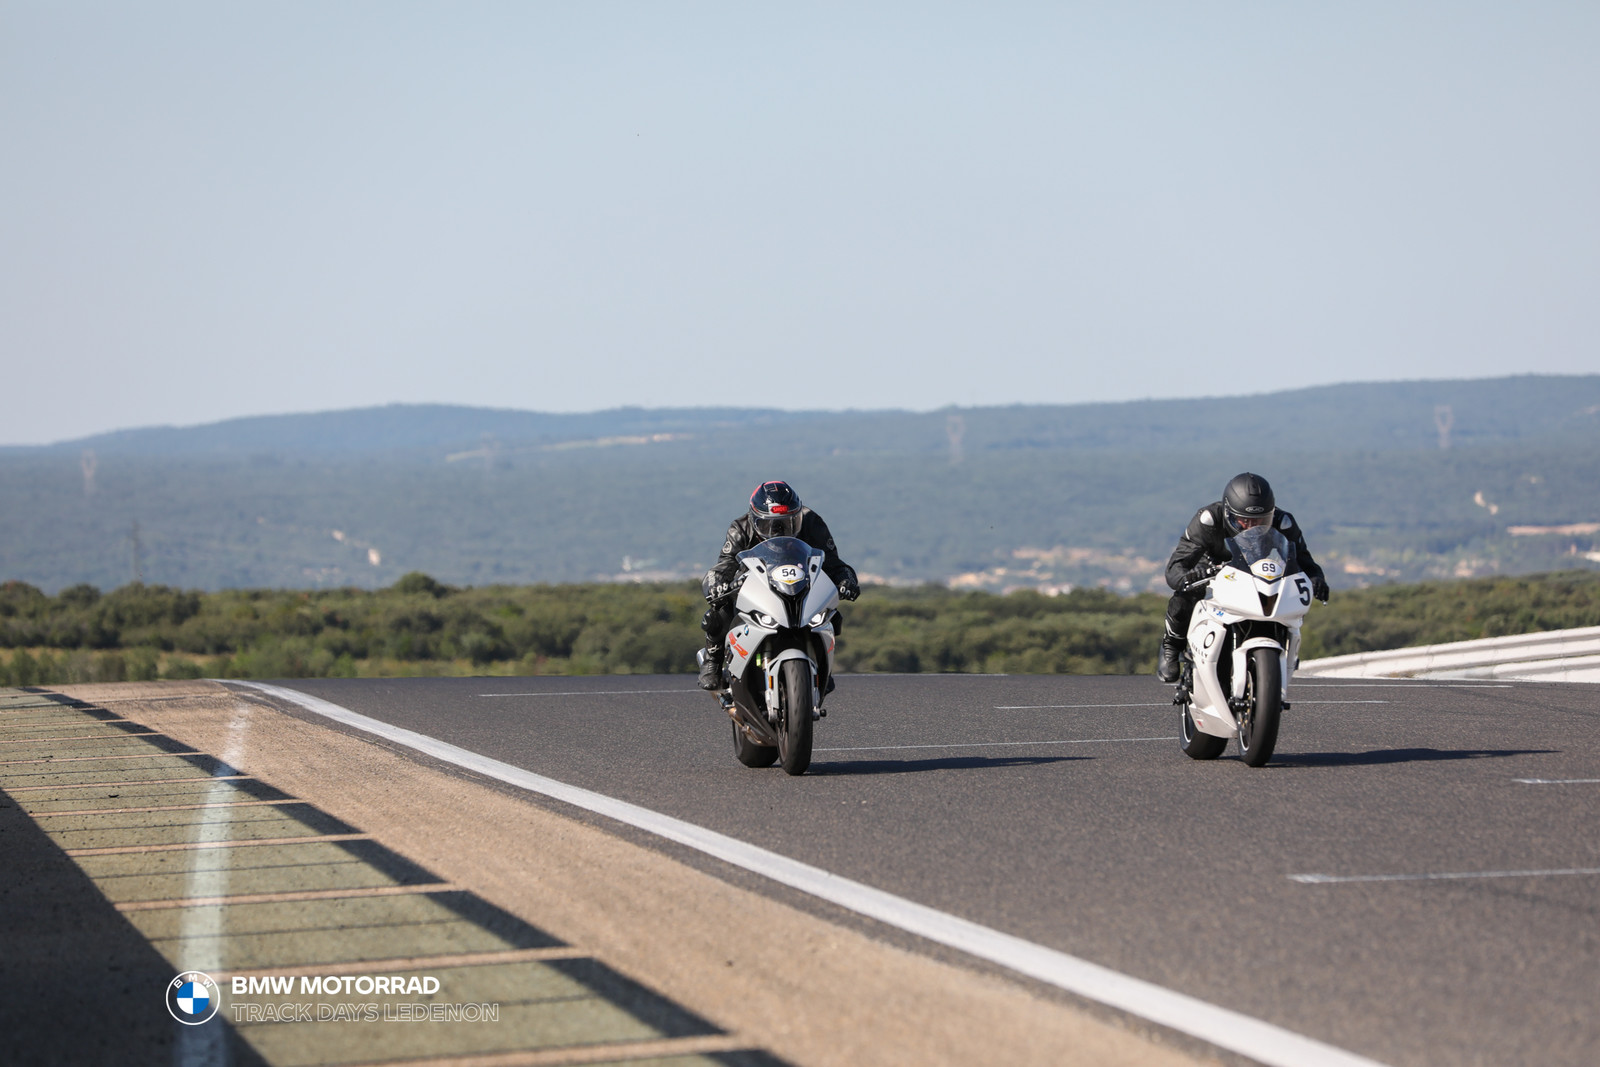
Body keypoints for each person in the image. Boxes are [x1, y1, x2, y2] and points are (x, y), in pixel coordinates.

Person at [1157, 472, 1329, 684]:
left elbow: (1305, 561)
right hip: (1211, 569)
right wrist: (1187, 577)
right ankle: (1171, 645)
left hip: (1258, 571)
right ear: (1228, 513)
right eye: (1244, 521)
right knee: (1186, 595)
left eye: (1260, 521)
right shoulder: (1208, 519)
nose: (1252, 527)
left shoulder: (1283, 522)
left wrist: (1316, 579)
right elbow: (1176, 566)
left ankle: (1283, 648)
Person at [698, 480, 860, 691]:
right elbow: (726, 563)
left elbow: (831, 561)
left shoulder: (812, 522)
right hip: (755, 586)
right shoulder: (740, 527)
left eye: (788, 523)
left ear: (798, 516)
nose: (779, 531)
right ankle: (714, 660)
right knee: (720, 608)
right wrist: (717, 583)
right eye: (770, 525)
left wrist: (846, 579)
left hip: (799, 584)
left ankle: (821, 666)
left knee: (831, 613)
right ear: (755, 520)